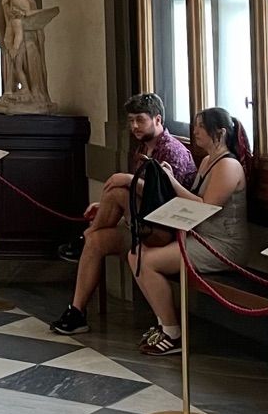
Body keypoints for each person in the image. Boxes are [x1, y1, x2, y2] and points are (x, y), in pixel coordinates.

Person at [51, 91, 197, 335]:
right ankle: (76, 312)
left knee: (119, 190)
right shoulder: (141, 149)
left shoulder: (173, 151)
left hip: (167, 230)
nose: (134, 126)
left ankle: (84, 235)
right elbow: (139, 197)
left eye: (140, 119)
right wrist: (109, 207)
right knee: (97, 240)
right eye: (131, 121)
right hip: (142, 225)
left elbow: (169, 199)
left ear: (158, 120)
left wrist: (128, 181)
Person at [131, 107, 251, 356]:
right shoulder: (208, 161)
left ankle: (172, 333)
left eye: (200, 126)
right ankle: (164, 324)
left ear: (219, 132)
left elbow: (205, 207)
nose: (194, 131)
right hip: (201, 237)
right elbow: (195, 198)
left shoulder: (228, 165)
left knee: (147, 261)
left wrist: (171, 182)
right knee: (136, 254)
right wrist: (170, 178)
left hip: (221, 245)